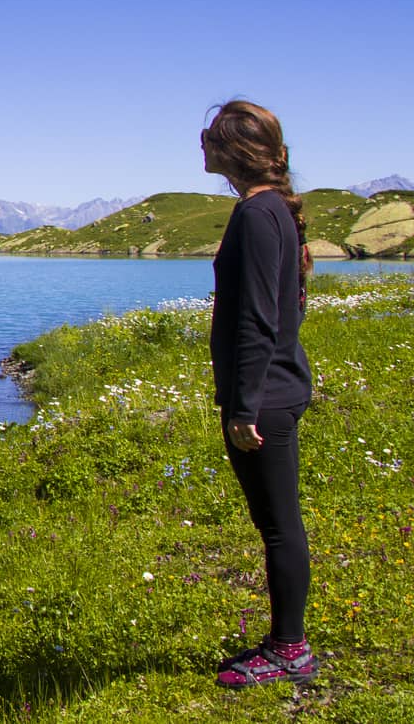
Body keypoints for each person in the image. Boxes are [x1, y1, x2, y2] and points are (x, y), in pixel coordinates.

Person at [200, 99, 318, 687]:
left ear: (232, 151)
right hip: (279, 388)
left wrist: (244, 407)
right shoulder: (273, 210)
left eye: (208, 137)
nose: (200, 146)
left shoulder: (256, 215)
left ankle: (288, 651)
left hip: (264, 398)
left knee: (278, 526)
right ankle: (286, 642)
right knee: (279, 523)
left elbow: (257, 321)